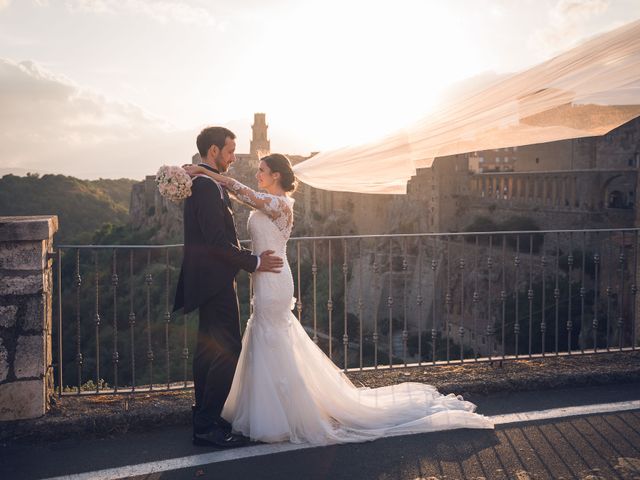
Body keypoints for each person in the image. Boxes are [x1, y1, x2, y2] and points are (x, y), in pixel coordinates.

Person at [183, 154, 494, 446]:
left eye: (262, 170)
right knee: (267, 341)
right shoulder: (268, 202)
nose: (257, 173)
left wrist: (204, 172)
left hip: (275, 281)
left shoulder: (281, 204)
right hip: (263, 279)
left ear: (276, 175)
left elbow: (245, 193)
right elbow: (244, 196)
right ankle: (271, 409)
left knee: (272, 338)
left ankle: (278, 416)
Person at [173, 127, 284, 448]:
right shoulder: (206, 186)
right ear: (213, 152)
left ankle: (204, 418)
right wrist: (254, 262)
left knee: (208, 349)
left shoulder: (206, 181)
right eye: (230, 151)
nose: (234, 158)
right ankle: (207, 424)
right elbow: (217, 242)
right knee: (227, 350)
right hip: (214, 281)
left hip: (208, 279)